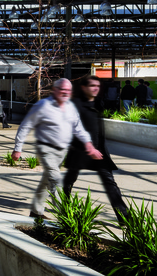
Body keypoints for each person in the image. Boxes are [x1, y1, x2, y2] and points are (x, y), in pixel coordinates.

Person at [12, 79, 102, 220]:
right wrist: (18, 148)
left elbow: (79, 129)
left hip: (62, 151)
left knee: (46, 181)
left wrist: (89, 146)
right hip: (46, 149)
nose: (65, 92)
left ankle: (36, 212)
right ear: (54, 89)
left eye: (68, 90)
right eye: (62, 89)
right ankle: (66, 218)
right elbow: (25, 126)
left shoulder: (71, 108)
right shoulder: (43, 105)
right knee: (55, 180)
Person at [64, 75, 128, 219]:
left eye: (98, 86)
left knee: (110, 182)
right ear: (83, 87)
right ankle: (66, 208)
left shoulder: (98, 103)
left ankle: (124, 216)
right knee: (70, 180)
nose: (95, 88)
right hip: (80, 150)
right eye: (92, 85)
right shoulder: (75, 104)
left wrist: (97, 148)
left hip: (99, 151)